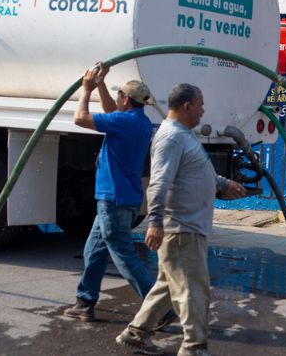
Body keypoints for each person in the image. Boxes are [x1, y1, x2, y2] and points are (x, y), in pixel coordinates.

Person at [116, 84, 247, 356]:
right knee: (193, 290)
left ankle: (136, 333)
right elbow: (159, 183)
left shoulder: (182, 135)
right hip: (182, 228)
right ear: (186, 106)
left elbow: (190, 171)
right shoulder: (171, 138)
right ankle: (194, 348)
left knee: (168, 285)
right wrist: (154, 222)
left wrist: (222, 183)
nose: (203, 109)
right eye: (200, 104)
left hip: (187, 227)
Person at [64, 64, 158, 323]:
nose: (117, 100)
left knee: (124, 256)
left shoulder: (123, 122)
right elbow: (111, 111)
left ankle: (158, 309)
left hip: (113, 199)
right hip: (123, 199)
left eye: (119, 96)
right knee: (93, 251)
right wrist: (102, 85)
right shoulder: (139, 121)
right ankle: (85, 302)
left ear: (126, 100)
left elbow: (80, 118)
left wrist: (86, 90)